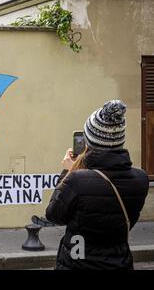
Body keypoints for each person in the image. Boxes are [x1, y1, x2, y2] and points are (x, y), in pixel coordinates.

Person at [46, 100, 149, 270]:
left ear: (89, 143)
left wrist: (68, 171)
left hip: (78, 262)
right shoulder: (141, 178)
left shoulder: (76, 180)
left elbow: (54, 215)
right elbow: (127, 221)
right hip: (119, 262)